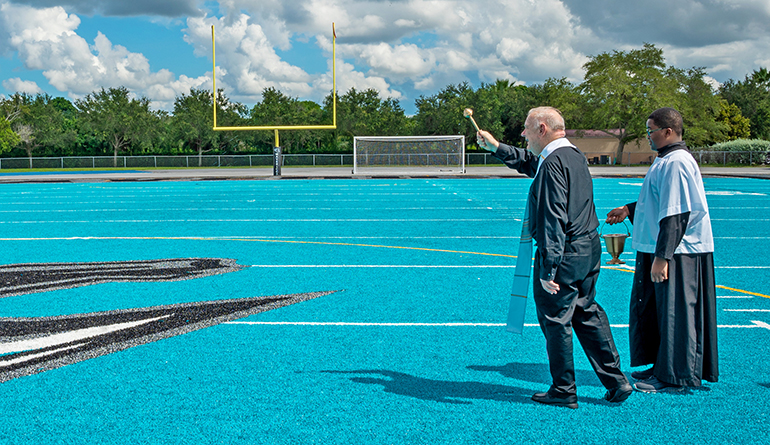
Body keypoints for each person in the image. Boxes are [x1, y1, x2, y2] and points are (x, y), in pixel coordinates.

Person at [477, 106, 632, 408]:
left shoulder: (552, 164)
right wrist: (496, 147)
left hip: (565, 253)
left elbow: (553, 217)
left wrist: (549, 268)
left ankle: (564, 389)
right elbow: (531, 163)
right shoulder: (572, 155)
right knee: (585, 312)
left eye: (525, 128)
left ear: (542, 129)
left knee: (556, 319)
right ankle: (617, 381)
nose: (522, 134)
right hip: (588, 247)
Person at [606, 107, 718, 393]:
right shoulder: (665, 160)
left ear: (668, 131)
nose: (648, 137)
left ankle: (675, 376)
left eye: (651, 131)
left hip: (679, 254)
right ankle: (662, 366)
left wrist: (662, 257)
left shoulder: (677, 162)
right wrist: (628, 210)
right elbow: (657, 202)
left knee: (675, 314)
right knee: (658, 312)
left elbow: (677, 213)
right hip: (661, 248)